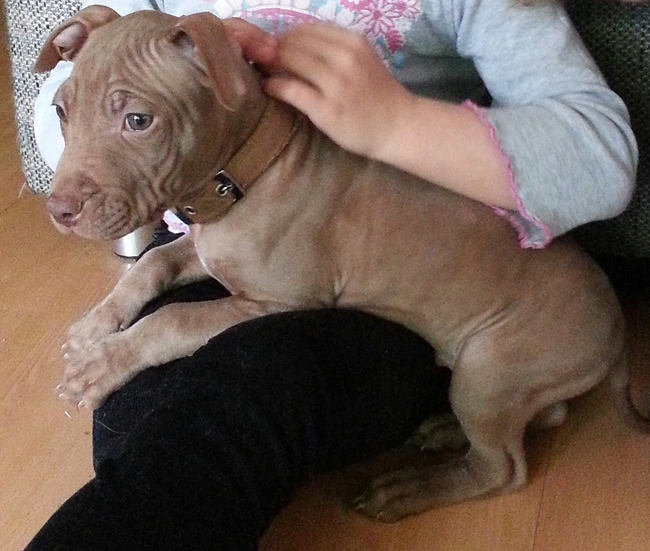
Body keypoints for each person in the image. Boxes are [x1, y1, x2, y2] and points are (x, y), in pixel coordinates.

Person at [27, 0, 639, 548]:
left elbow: (603, 161)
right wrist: (135, 287)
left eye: (138, 120)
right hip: (236, 223)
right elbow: (87, 85)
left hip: (462, 321)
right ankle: (528, 404)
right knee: (136, 420)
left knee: (245, 398)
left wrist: (395, 122)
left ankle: (493, 463)